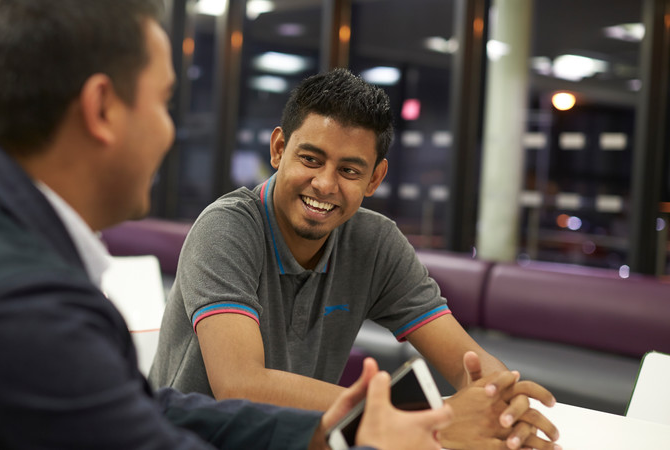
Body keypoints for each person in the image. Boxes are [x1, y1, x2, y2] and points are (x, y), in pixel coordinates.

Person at [0, 1, 461, 449]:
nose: (171, 132)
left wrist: (334, 428)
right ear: (102, 109)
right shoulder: (18, 300)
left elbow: (143, 406)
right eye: (163, 101)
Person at [149, 68, 561, 450]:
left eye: (349, 171)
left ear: (374, 179)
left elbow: (467, 361)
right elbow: (241, 384)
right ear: (279, 149)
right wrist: (431, 420)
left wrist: (502, 408)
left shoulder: (375, 241)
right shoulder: (227, 228)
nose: (325, 184)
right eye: (310, 159)